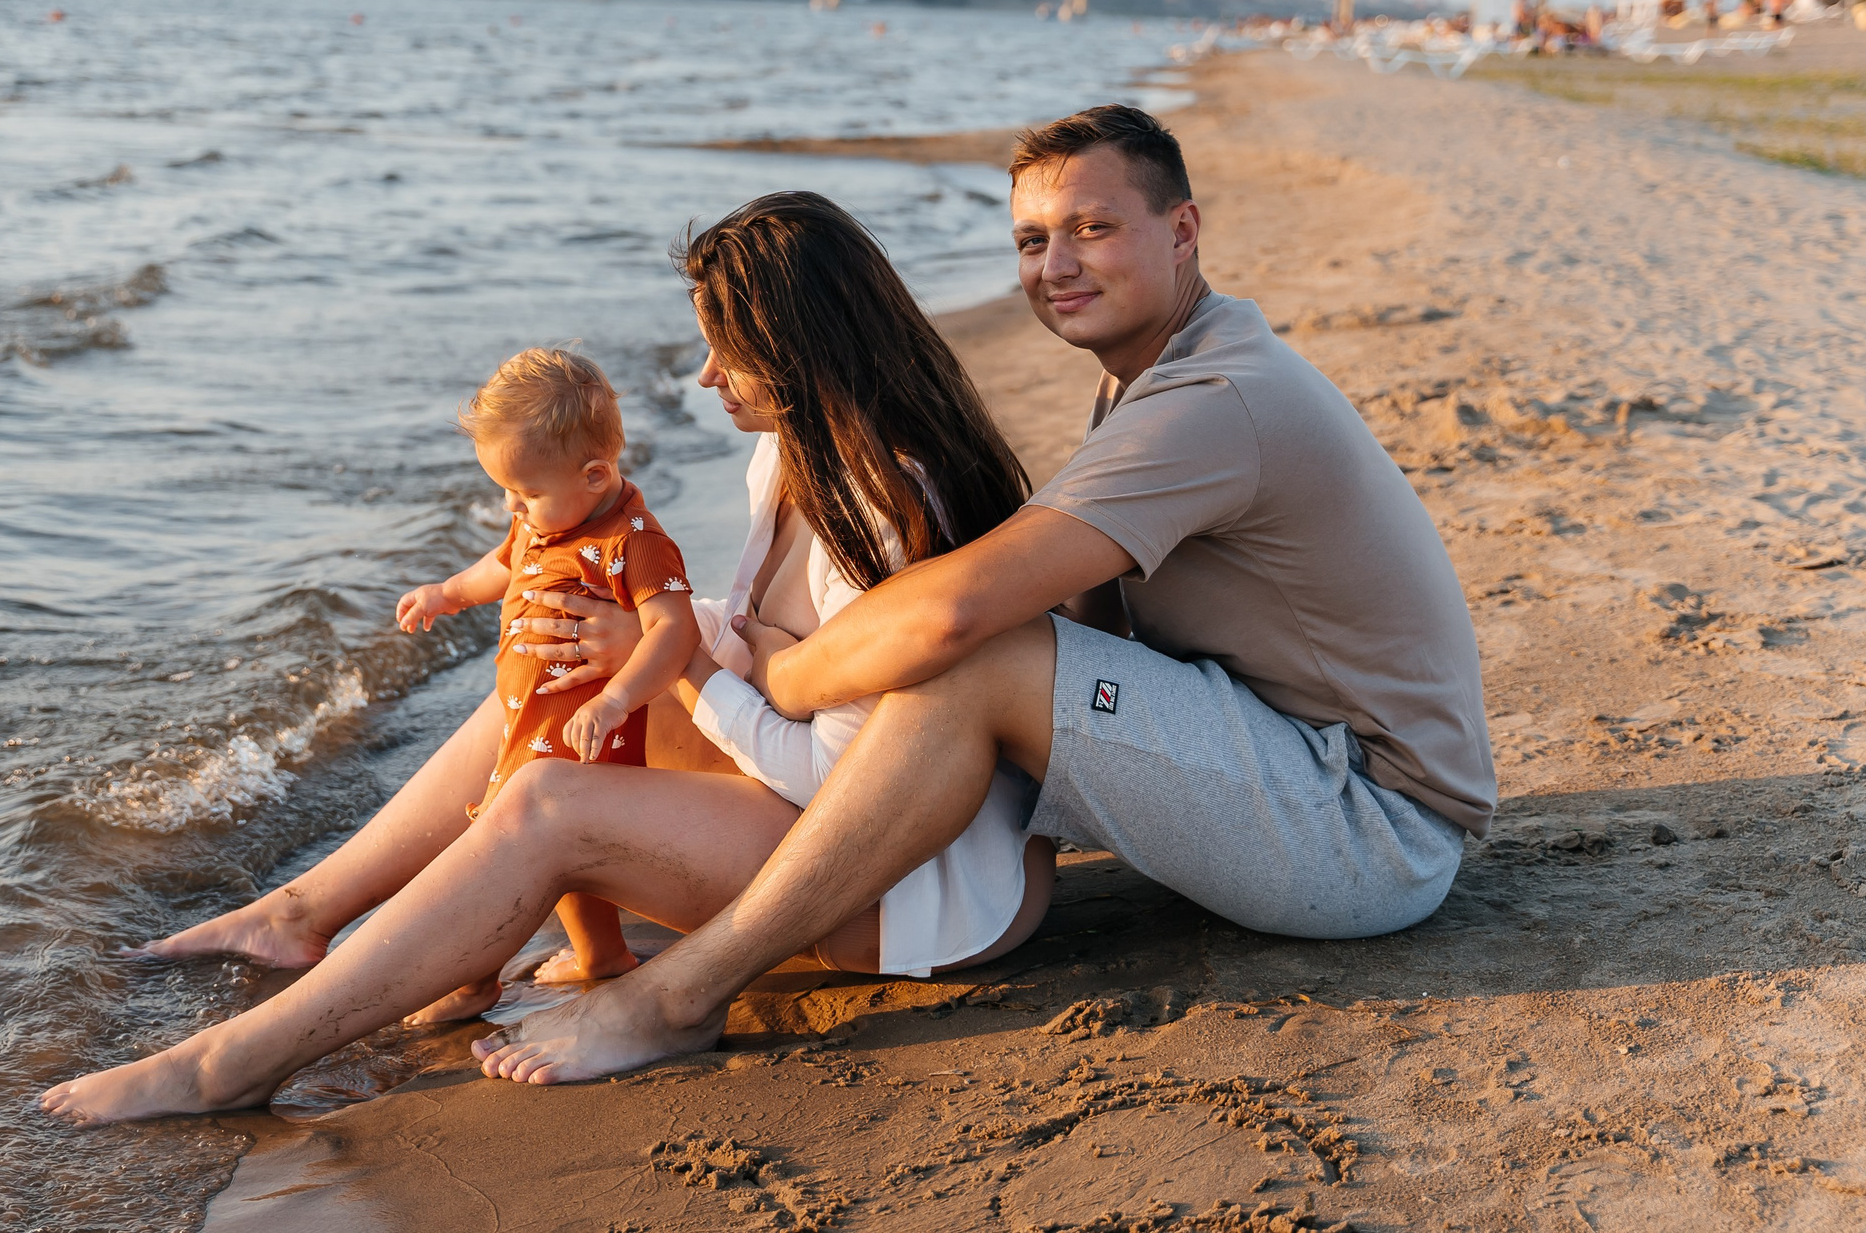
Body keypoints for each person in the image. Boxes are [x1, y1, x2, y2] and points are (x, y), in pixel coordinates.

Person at [471, 103, 1495, 1086]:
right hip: (1300, 767)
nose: (1055, 267)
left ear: (1182, 231)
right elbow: (1092, 622)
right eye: (1031, 239)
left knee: (975, 650)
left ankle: (677, 995)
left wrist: (765, 675)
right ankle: (360, 904)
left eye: (1092, 228)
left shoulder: (1212, 400)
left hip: (1369, 828)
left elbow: (954, 613)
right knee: (681, 640)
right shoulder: (1158, 371)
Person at [39, 193, 1047, 1124]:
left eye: (726, 353)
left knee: (544, 802)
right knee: (570, 671)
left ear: (803, 349)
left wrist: (687, 659)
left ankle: (230, 1062)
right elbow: (768, 666)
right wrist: (661, 648)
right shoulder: (786, 453)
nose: (704, 378)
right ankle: (303, 913)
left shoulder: (881, 510)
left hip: (913, 895)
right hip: (819, 813)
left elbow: (860, 787)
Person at [394, 347, 700, 999]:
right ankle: (602, 955)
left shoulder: (635, 540)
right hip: (530, 719)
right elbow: (502, 563)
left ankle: (471, 975)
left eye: (525, 492)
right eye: (505, 489)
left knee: (499, 851)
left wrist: (616, 700)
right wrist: (448, 592)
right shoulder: (542, 518)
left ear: (594, 475)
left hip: (580, 730)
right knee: (565, 865)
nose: (512, 505)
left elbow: (676, 629)